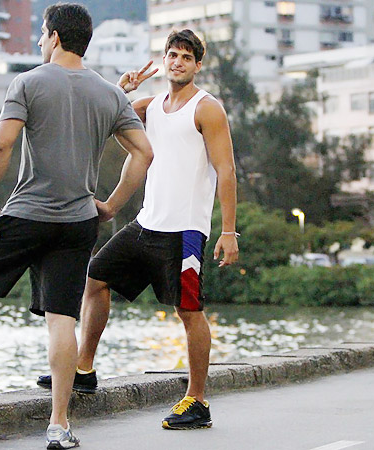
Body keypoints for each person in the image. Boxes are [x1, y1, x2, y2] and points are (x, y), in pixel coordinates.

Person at [0, 4, 153, 449]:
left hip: (28, 212)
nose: (38, 43)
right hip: (78, 223)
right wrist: (109, 204)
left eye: (41, 35)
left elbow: (1, 146)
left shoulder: (28, 82)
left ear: (52, 36)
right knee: (61, 319)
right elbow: (143, 153)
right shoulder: (109, 94)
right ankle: (59, 425)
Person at [37, 29, 239, 430]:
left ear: (198, 65)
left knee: (189, 310)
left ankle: (197, 400)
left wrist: (229, 231)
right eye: (172, 55)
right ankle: (84, 370)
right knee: (94, 278)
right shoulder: (150, 106)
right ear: (164, 61)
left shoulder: (206, 108)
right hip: (147, 223)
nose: (177, 61)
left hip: (185, 232)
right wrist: (121, 89)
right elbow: (109, 121)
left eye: (185, 56)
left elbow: (226, 169)